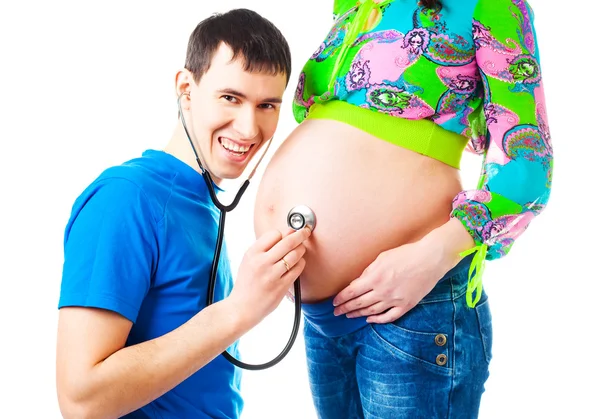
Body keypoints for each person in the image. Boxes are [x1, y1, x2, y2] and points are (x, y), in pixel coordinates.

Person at [254, 0, 552, 417]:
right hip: (324, 319)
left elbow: (528, 164)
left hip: (414, 306)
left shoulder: (490, 5)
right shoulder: (354, 4)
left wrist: (431, 257)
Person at [55, 9, 311, 419]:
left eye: (266, 105)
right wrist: (240, 310)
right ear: (186, 90)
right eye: (231, 97)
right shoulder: (126, 198)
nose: (248, 129)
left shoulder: (203, 204)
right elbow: (82, 400)